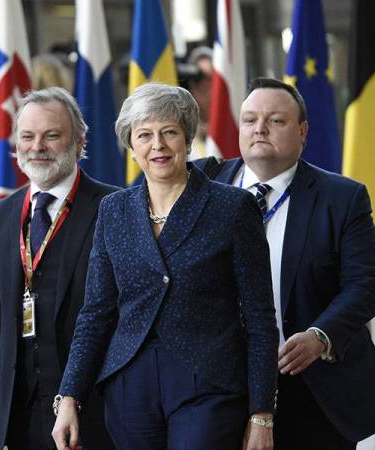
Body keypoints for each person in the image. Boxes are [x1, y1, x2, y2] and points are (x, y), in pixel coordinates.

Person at [52, 83, 278, 450]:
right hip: (129, 388)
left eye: (169, 132)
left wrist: (261, 413)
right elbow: (95, 314)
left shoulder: (233, 208)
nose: (157, 145)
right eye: (144, 135)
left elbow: (260, 318)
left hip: (209, 384)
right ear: (132, 146)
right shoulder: (113, 211)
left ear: (187, 140)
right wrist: (68, 398)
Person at [199, 77, 375, 449]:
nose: (259, 129)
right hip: (220, 386)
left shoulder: (342, 197)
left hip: (308, 384)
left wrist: (320, 337)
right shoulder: (203, 186)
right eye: (250, 120)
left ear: (302, 131)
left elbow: (364, 284)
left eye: (276, 121)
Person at [0, 87, 116, 450]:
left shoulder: (114, 208)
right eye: (27, 136)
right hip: (15, 417)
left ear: (79, 140)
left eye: (52, 135)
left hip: (94, 411)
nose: (37, 146)